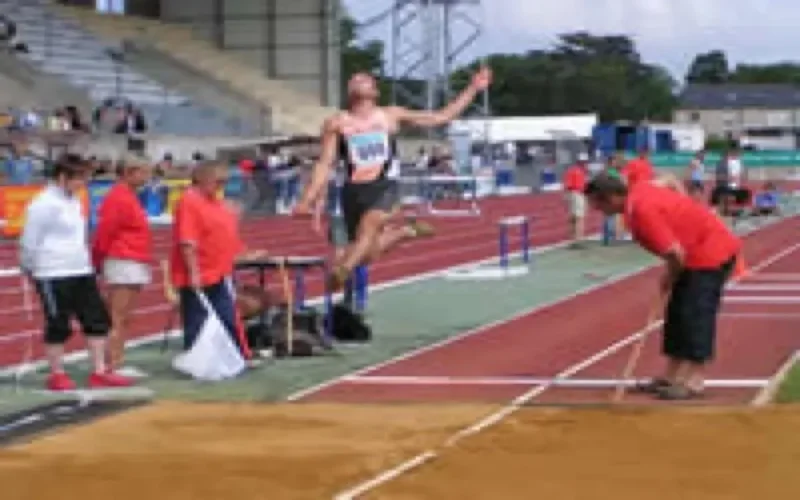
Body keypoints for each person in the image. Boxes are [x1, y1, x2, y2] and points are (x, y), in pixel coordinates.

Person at [293, 67, 493, 290]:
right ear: (348, 91)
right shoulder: (336, 123)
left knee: (368, 229)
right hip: (353, 190)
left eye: (365, 79)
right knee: (367, 252)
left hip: (385, 186)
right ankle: (405, 232)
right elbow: (324, 163)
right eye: (354, 79)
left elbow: (441, 117)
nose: (359, 80)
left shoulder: (390, 115)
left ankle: (344, 270)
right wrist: (306, 200)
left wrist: (473, 89)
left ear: (375, 92)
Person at [584, 173, 741, 400]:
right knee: (676, 315)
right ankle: (671, 376)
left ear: (610, 198)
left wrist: (670, 274)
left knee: (695, 316)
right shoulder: (639, 190)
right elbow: (669, 179)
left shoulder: (642, 212)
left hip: (710, 254)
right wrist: (685, 207)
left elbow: (674, 253)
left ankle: (694, 381)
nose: (596, 210)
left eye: (596, 204)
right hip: (691, 254)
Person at [20, 154, 134, 391]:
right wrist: (31, 267)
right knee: (58, 323)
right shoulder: (42, 204)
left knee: (97, 320)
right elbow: (29, 241)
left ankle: (100, 370)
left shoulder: (74, 200)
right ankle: (57, 373)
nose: (83, 183)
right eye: (79, 178)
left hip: (81, 269)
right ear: (63, 177)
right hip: (52, 272)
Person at [170, 161, 267, 360]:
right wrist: (194, 271)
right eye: (218, 181)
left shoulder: (214, 201)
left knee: (228, 316)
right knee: (198, 319)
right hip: (201, 271)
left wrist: (243, 252)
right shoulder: (189, 202)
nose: (222, 186)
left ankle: (236, 355)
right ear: (203, 179)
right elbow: (187, 240)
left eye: (225, 182)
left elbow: (223, 233)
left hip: (219, 270)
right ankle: (197, 359)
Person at [91, 153, 153, 378]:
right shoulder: (118, 197)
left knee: (124, 316)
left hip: (133, 259)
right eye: (144, 172)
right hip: (122, 259)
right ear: (129, 172)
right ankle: (112, 364)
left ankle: (117, 360)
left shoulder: (128, 196)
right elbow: (105, 232)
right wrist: (97, 260)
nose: (148, 177)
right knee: (117, 315)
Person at [562, 153, 590, 248]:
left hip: (577, 194)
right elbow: (568, 184)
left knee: (574, 218)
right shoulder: (576, 171)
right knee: (579, 218)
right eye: (584, 162)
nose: (585, 163)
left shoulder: (582, 171)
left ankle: (574, 240)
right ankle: (578, 240)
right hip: (577, 194)